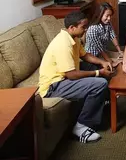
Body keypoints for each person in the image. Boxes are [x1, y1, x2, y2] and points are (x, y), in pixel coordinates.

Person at [37, 11, 113, 143]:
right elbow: (71, 75)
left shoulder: (74, 38)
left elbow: (85, 55)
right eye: (83, 27)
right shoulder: (63, 44)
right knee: (100, 83)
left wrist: (102, 62)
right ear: (72, 27)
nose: (86, 29)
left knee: (94, 67)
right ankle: (81, 127)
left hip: (64, 78)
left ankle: (100, 103)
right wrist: (98, 73)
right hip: (53, 86)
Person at [84, 2, 123, 70]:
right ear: (100, 14)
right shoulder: (93, 29)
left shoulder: (107, 23)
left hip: (104, 52)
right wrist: (110, 61)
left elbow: (112, 35)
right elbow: (100, 49)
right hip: (94, 57)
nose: (109, 18)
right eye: (107, 16)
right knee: (116, 63)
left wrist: (119, 51)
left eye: (110, 16)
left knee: (124, 57)